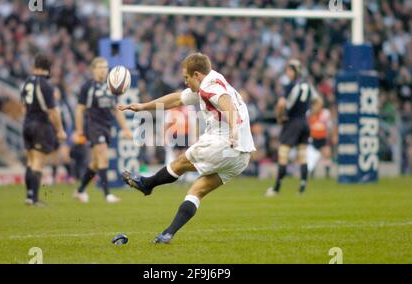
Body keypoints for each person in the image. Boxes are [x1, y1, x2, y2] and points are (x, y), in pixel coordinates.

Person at [118, 53, 255, 244]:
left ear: (197, 75)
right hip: (242, 156)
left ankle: (147, 184)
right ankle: (167, 234)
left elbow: (227, 104)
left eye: (186, 78)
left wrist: (232, 130)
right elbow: (176, 100)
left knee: (180, 162)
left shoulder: (209, 86)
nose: (185, 82)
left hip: (225, 143)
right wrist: (142, 107)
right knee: (196, 190)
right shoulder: (212, 81)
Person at [73, 57, 133, 204]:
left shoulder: (110, 87)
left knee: (95, 162)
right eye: (99, 67)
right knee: (103, 156)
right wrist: (79, 130)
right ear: (93, 70)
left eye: (105, 67)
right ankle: (107, 194)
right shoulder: (88, 86)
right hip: (93, 125)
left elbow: (116, 110)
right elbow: (80, 110)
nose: (103, 70)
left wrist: (125, 128)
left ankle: (80, 190)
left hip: (106, 126)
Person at [265, 59, 319, 197]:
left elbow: (281, 104)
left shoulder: (289, 86)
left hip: (292, 122)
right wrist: (310, 114)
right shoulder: (307, 85)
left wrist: (279, 117)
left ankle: (276, 188)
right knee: (303, 156)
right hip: (304, 122)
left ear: (295, 71)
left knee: (283, 155)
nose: (287, 72)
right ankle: (302, 188)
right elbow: (318, 101)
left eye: (290, 70)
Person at [21, 54, 66, 206]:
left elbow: (23, 105)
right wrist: (60, 130)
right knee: (37, 162)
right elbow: (53, 111)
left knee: (30, 160)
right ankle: (34, 199)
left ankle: (29, 195)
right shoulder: (45, 84)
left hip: (26, 123)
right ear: (48, 68)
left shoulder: (27, 81)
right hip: (39, 125)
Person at [307, 96, 332, 178]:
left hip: (322, 138)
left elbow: (328, 125)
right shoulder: (309, 114)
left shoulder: (325, 113)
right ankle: (311, 173)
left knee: (327, 153)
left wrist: (330, 136)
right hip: (312, 138)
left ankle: (327, 173)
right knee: (311, 157)